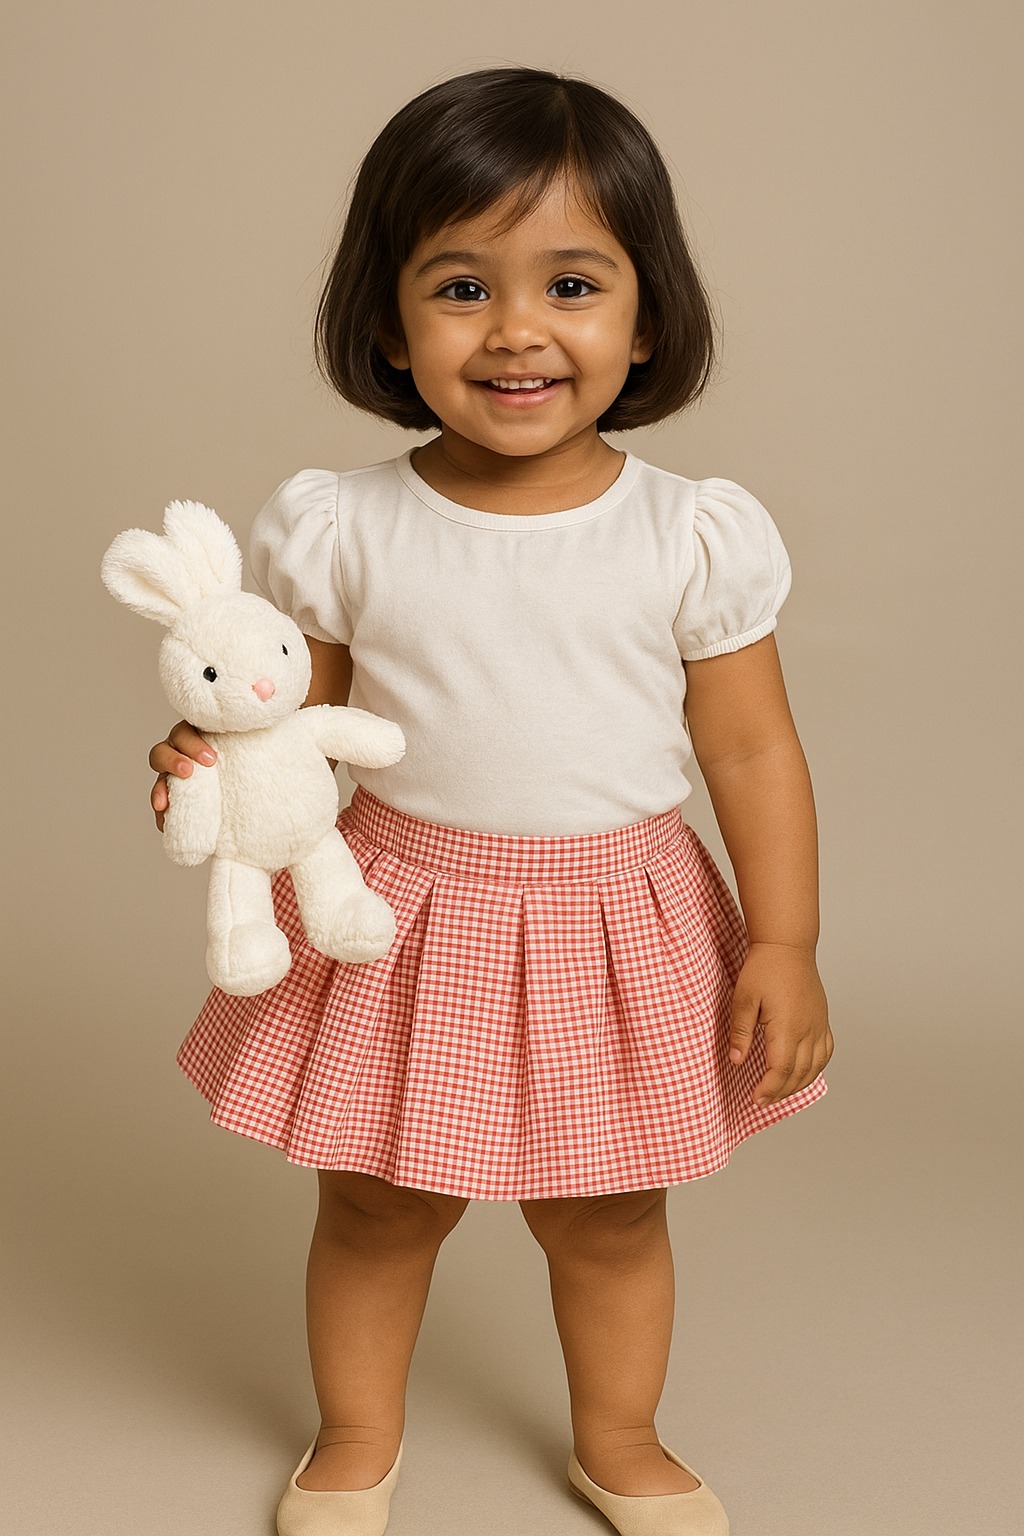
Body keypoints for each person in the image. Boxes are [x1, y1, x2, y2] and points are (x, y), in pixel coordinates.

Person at [148, 66, 832, 1536]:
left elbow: (753, 751)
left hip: (615, 916)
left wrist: (786, 940)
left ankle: (621, 1439)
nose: (518, 330)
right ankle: (355, 1436)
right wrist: (215, 751)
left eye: (571, 285)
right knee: (376, 1200)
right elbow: (295, 715)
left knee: (610, 1211)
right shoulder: (345, 523)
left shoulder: (691, 534)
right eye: (462, 287)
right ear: (390, 326)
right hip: (405, 909)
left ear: (646, 319)